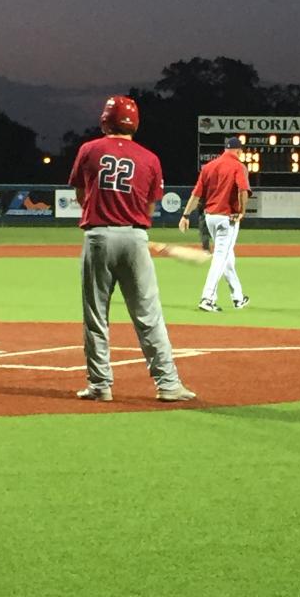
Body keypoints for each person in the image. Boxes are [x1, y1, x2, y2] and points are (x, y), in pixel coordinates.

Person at [68, 95, 196, 403]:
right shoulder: (150, 158)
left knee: (96, 316)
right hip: (136, 237)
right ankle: (168, 385)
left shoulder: (89, 149)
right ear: (135, 123)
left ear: (105, 120)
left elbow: (80, 193)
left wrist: (104, 216)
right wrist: (133, 229)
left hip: (98, 237)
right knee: (148, 314)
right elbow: (149, 205)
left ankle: (100, 385)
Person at [178, 137, 250, 311]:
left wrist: (185, 215)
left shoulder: (209, 167)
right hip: (227, 219)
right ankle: (207, 298)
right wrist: (241, 211)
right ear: (238, 151)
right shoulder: (238, 166)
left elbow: (196, 194)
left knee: (227, 257)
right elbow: (243, 190)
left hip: (210, 217)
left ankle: (238, 297)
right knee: (220, 257)